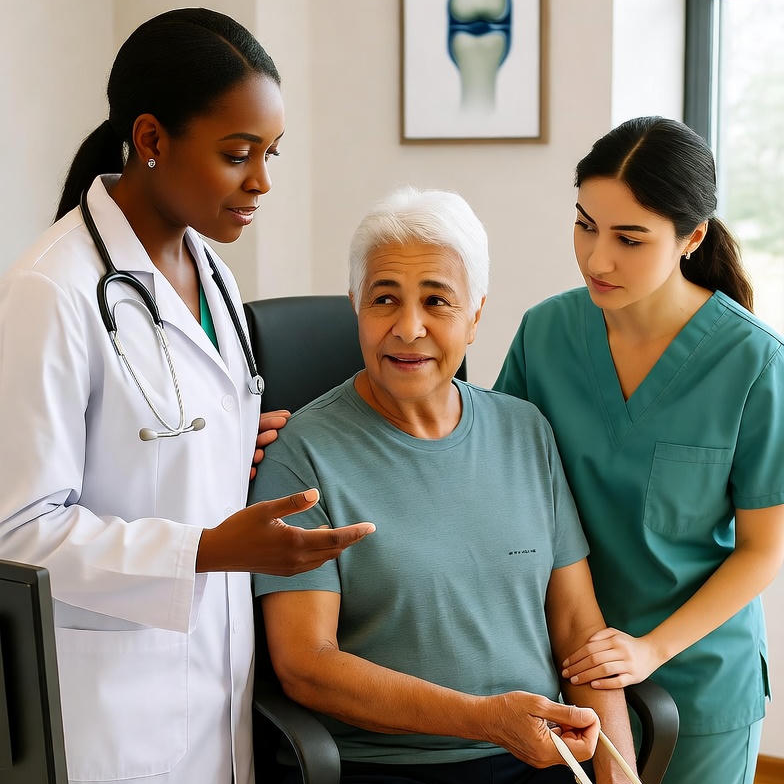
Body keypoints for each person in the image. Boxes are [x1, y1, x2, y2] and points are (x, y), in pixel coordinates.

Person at [0, 9, 373, 784]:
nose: (263, 181)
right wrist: (209, 549)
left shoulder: (212, 273)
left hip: (216, 692)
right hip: (110, 714)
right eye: (238, 154)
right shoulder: (50, 291)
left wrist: (233, 446)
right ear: (150, 140)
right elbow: (20, 537)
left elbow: (155, 447)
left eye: (270, 154)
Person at [251, 187, 637, 784]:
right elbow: (306, 663)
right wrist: (485, 720)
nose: (409, 328)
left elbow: (578, 632)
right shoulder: (300, 455)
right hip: (388, 768)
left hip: (541, 755)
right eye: (385, 299)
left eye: (437, 301)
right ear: (356, 304)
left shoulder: (526, 430)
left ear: (475, 316)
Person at [494, 116, 784, 784]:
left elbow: (763, 549)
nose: (598, 258)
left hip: (698, 677)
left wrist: (650, 649)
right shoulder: (547, 334)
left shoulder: (751, 362)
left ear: (692, 237)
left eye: (629, 238)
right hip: (562, 667)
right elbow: (490, 463)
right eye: (585, 224)